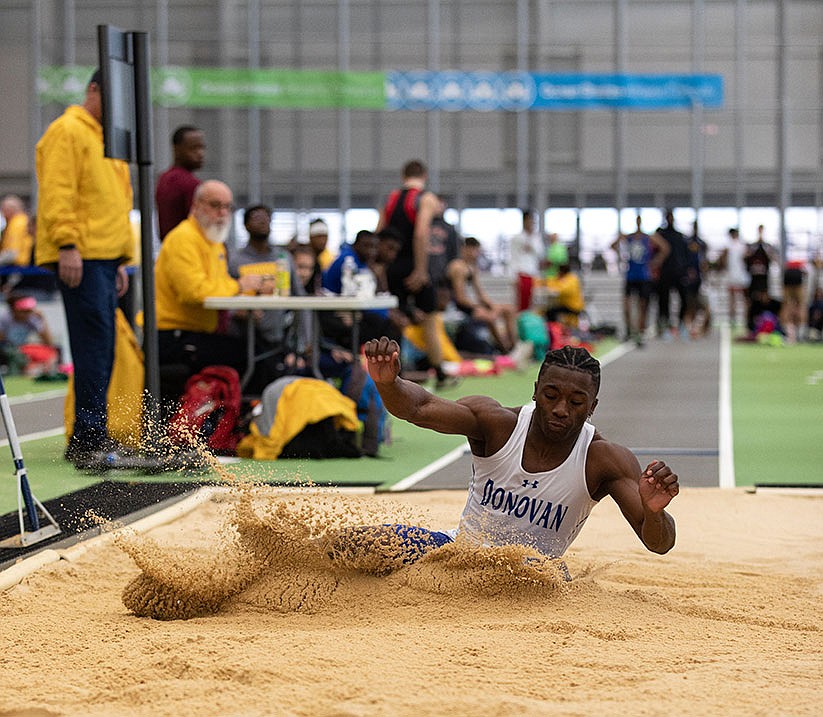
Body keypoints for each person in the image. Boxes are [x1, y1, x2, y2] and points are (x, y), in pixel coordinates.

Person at [346, 337, 678, 572]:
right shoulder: (496, 424)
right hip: (458, 555)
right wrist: (389, 384)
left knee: (528, 570)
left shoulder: (603, 460)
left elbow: (659, 543)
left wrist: (652, 512)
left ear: (592, 408)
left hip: (533, 575)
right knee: (358, 542)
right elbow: (421, 408)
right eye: (551, 396)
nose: (561, 409)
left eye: (576, 403)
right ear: (535, 392)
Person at [35, 68, 135, 468]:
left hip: (104, 258)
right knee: (93, 348)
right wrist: (67, 244)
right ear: (93, 89)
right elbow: (59, 191)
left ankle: (95, 433)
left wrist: (121, 258)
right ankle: (88, 439)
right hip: (84, 256)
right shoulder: (68, 131)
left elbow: (112, 203)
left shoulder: (102, 137)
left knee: (103, 349)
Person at [155, 180, 263, 392]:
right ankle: (240, 417)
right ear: (196, 206)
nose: (222, 213)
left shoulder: (213, 243)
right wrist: (239, 286)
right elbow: (194, 292)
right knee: (255, 357)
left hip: (199, 333)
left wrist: (242, 289)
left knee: (258, 350)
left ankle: (236, 417)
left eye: (227, 207)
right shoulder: (183, 239)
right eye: (215, 205)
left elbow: (218, 285)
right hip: (174, 336)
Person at [376, 159, 449, 388]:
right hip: (414, 265)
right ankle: (439, 372)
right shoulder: (426, 198)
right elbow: (420, 234)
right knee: (429, 319)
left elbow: (379, 233)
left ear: (402, 175)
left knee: (395, 318)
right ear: (424, 175)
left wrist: (381, 268)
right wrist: (420, 269)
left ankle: (393, 373)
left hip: (392, 267)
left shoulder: (391, 198)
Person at [445, 236, 519, 354]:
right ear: (465, 249)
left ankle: (514, 347)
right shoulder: (458, 267)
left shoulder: (471, 267)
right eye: (473, 250)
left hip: (469, 304)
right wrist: (479, 307)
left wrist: (492, 306)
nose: (476, 254)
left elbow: (480, 294)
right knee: (490, 317)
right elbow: (460, 298)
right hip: (455, 307)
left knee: (509, 310)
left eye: (477, 251)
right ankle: (503, 349)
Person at [610, 214, 669, 346]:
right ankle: (630, 330)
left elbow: (665, 248)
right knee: (627, 305)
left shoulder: (647, 237)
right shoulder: (629, 237)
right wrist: (620, 251)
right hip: (631, 275)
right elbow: (612, 245)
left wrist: (655, 261)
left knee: (643, 306)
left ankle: (641, 332)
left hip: (643, 276)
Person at [155, 125, 206, 240]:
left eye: (202, 148)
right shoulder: (190, 184)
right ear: (176, 149)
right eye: (193, 148)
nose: (200, 154)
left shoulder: (164, 178)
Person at [651, 210, 690, 339]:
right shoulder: (660, 234)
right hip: (665, 273)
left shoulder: (679, 236)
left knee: (684, 299)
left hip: (678, 272)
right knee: (663, 300)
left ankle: (680, 325)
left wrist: (686, 268)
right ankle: (665, 326)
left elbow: (685, 254)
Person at [510, 208, 544, 312]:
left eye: (533, 221)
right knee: (521, 305)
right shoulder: (517, 238)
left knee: (534, 305)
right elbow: (513, 257)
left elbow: (541, 254)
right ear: (524, 221)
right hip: (521, 274)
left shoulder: (536, 238)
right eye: (529, 220)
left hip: (533, 274)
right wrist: (512, 276)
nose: (531, 223)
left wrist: (531, 243)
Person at [427, 194, 461, 289]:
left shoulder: (449, 228)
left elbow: (454, 252)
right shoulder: (421, 226)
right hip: (426, 271)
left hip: (443, 272)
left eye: (441, 204)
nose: (439, 207)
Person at [718, 227, 749, 329]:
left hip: (736, 275)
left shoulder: (733, 246)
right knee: (736, 299)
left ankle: (737, 319)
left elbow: (722, 260)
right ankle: (737, 319)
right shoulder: (738, 245)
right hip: (737, 276)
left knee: (736, 299)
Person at [0, 195, 33, 268]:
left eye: (3, 209)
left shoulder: (17, 224)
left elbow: (12, 252)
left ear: (9, 209)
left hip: (18, 266)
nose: (2, 213)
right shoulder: (23, 220)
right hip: (23, 263)